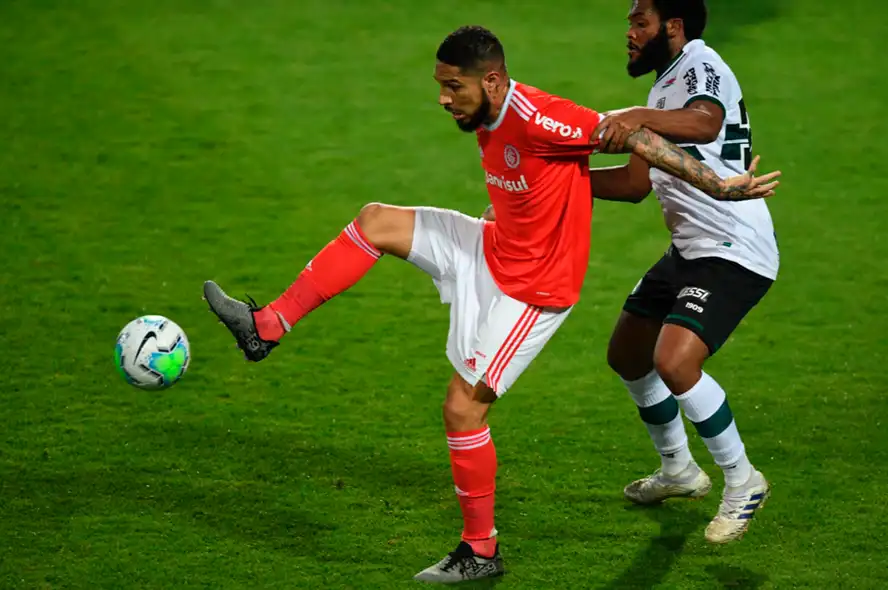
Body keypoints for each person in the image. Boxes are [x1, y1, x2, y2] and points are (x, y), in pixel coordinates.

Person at [202, 25, 779, 583]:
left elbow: (638, 141)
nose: (443, 98)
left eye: (455, 87)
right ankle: (268, 325)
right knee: (376, 221)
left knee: (462, 410)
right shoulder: (490, 113)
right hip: (492, 248)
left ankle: (480, 551)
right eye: (441, 85)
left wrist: (719, 186)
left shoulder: (541, 117)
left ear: (495, 82)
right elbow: (582, 175)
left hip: (533, 290)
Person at [588, 0, 780, 545]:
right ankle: (679, 470)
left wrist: (638, 117)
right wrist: (563, 180)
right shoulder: (659, 90)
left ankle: (743, 480)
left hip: (735, 246)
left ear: (672, 28)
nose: (629, 33)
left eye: (639, 23)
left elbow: (706, 120)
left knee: (674, 360)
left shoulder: (700, 61)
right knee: (627, 353)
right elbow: (632, 185)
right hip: (690, 250)